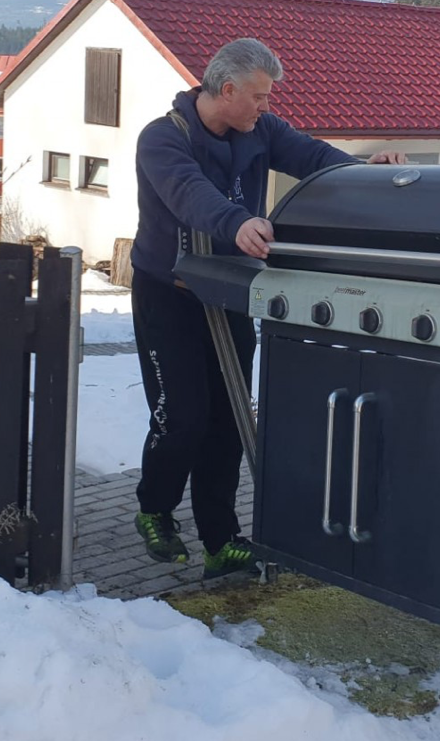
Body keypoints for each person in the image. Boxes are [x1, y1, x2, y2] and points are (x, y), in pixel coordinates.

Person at [130, 38, 405, 580]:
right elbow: (189, 193)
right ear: (226, 90)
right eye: (258, 96)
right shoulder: (163, 139)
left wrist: (369, 173)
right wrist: (236, 221)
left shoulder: (262, 132)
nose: (265, 107)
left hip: (231, 290)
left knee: (229, 415)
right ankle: (155, 509)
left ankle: (221, 538)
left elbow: (316, 160)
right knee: (181, 414)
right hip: (170, 294)